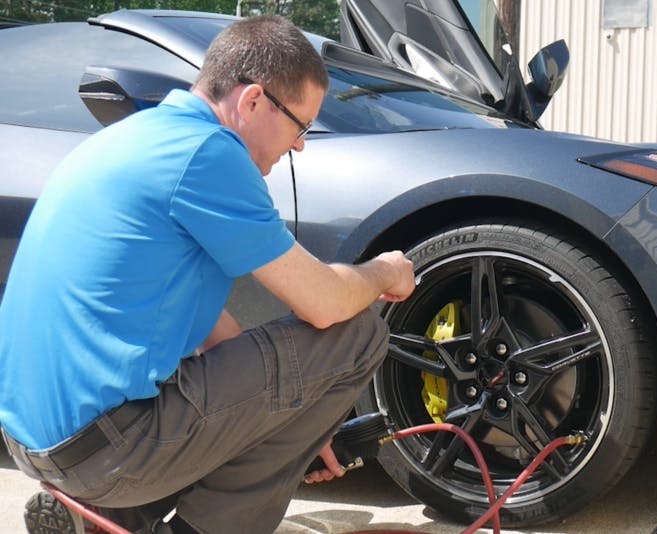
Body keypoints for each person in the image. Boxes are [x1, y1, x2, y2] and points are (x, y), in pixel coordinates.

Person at [0, 14, 415, 534]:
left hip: (35, 441)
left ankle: (103, 519)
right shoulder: (209, 154)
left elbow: (211, 329)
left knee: (211, 388)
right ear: (253, 101)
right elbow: (325, 303)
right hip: (109, 450)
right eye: (301, 125)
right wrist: (382, 271)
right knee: (357, 335)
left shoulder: (138, 135)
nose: (300, 145)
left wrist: (297, 415)